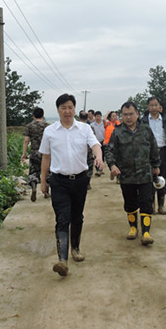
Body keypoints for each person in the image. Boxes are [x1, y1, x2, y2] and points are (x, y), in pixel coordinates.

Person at [40, 94, 103, 277]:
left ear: (75, 109)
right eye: (63, 108)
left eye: (70, 107)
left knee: (77, 217)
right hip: (59, 181)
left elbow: (95, 145)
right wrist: (43, 181)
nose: (67, 111)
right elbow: (46, 157)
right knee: (62, 218)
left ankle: (75, 248)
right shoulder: (50, 131)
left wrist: (98, 157)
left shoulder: (84, 129)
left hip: (80, 180)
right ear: (58, 110)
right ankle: (62, 260)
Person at [105, 101, 161, 246]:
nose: (128, 117)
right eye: (125, 114)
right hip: (126, 176)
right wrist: (112, 165)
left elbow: (154, 148)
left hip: (145, 174)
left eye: (131, 114)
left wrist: (156, 165)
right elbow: (109, 151)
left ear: (137, 114)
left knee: (146, 202)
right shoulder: (117, 132)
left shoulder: (146, 130)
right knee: (130, 203)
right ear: (121, 116)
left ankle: (146, 232)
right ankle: (133, 228)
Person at [141, 96, 166, 215]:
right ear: (148, 107)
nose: (153, 107)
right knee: (150, 179)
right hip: (149, 153)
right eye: (151, 105)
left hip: (163, 151)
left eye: (155, 105)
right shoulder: (144, 121)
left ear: (159, 106)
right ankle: (151, 205)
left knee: (162, 179)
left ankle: (161, 205)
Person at [20, 107, 48, 202]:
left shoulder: (29, 126)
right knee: (48, 172)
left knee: (33, 172)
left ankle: (34, 188)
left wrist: (24, 154)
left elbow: (26, 140)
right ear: (43, 116)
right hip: (46, 153)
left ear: (33, 116)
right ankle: (46, 192)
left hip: (34, 152)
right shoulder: (47, 126)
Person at [78, 110, 95, 189]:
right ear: (87, 118)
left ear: (79, 117)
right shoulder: (90, 127)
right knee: (90, 168)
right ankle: (87, 183)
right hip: (89, 151)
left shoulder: (76, 127)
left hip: (79, 152)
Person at [89, 111, 106, 176]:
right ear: (94, 117)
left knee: (103, 155)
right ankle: (98, 170)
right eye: (97, 116)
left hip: (103, 142)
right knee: (96, 156)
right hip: (96, 143)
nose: (98, 118)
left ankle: (100, 168)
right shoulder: (92, 125)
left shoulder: (104, 124)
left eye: (99, 116)